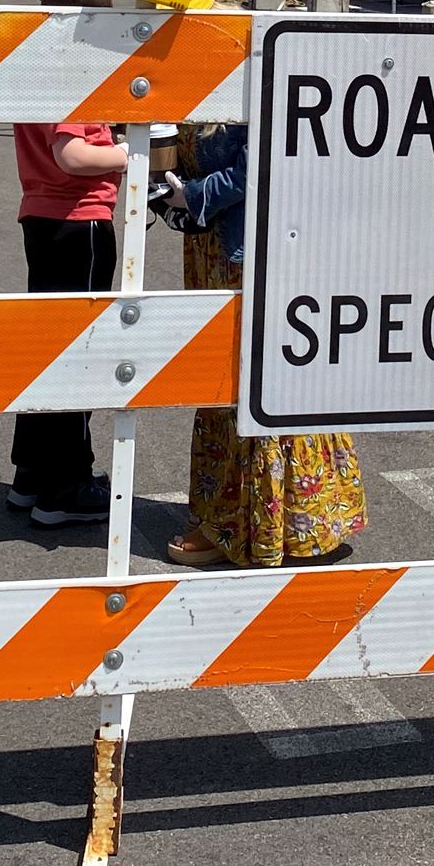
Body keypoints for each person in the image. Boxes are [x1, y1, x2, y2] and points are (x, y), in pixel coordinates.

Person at [153, 123, 367, 568]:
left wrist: (191, 195)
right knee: (222, 379)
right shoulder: (194, 71)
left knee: (258, 381)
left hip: (254, 252)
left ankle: (255, 524)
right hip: (215, 250)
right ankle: (257, 519)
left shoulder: (257, 62)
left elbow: (264, 165)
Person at [7, 0, 126, 527]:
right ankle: (68, 484)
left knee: (44, 349)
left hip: (42, 215)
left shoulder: (35, 65)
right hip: (79, 219)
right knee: (77, 356)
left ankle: (31, 475)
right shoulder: (76, 70)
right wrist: (135, 155)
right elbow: (73, 154)